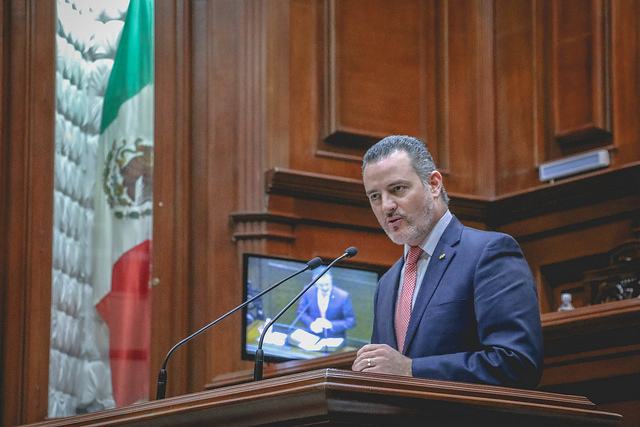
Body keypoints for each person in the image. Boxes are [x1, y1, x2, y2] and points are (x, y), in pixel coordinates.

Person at [352, 135, 543, 388]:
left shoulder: (488, 253)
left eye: (397, 189)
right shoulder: (387, 284)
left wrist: (411, 370)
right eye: (375, 196)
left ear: (433, 184)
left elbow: (517, 364)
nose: (386, 206)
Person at [296, 268, 356, 339]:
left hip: (334, 338)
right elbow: (301, 312)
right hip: (312, 336)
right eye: (321, 285)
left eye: (327, 284)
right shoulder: (308, 292)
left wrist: (331, 325)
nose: (325, 288)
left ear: (331, 279)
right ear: (314, 281)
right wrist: (311, 324)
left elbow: (351, 321)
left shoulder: (343, 296)